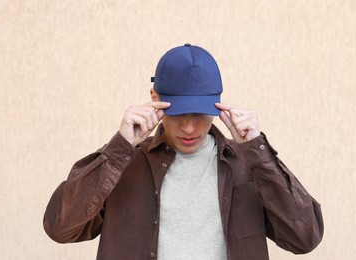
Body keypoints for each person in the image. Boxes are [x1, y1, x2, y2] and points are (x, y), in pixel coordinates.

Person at [43, 43, 323, 260]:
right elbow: (60, 228)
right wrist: (119, 148)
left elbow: (304, 236)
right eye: (177, 113)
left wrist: (258, 150)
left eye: (200, 114)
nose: (189, 127)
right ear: (155, 99)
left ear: (218, 106)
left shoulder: (247, 164)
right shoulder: (124, 164)